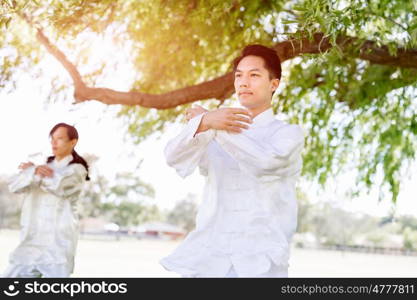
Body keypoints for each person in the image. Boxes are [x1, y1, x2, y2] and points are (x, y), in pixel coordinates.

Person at [160, 45, 305, 277]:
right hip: (211, 260)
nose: (244, 82)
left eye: (254, 75)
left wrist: (214, 125)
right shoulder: (212, 123)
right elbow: (173, 156)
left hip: (260, 264)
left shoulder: (289, 134)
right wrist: (204, 123)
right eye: (239, 76)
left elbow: (265, 163)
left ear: (274, 84)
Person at [2, 123, 90, 278]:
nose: (54, 143)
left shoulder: (77, 170)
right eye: (52, 139)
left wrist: (35, 173)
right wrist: (33, 171)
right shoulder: (40, 168)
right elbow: (15, 186)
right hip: (32, 240)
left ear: (73, 142)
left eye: (60, 138)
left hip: (57, 244)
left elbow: (59, 186)